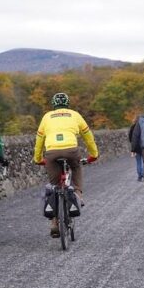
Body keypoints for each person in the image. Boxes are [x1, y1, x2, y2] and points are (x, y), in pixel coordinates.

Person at [32, 92, 99, 238]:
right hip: (71, 151)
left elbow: (39, 140)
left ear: (54, 105)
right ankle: (78, 194)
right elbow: (88, 136)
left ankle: (55, 223)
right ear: (67, 104)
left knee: (54, 185)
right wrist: (94, 155)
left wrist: (37, 158)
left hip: (52, 152)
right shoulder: (75, 115)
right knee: (76, 167)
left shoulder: (47, 117)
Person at [128, 117, 144, 182]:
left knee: (138, 162)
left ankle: (139, 176)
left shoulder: (132, 127)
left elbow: (130, 137)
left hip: (136, 146)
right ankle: (143, 173)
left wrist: (132, 147)